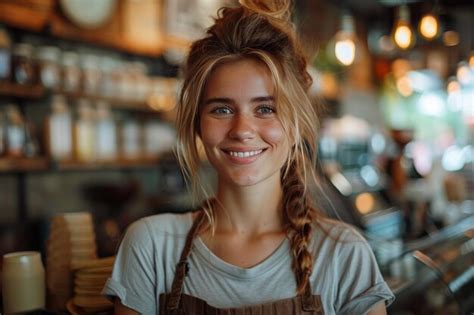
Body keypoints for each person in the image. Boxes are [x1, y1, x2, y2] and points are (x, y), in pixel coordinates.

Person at [103, 0, 395, 314]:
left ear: (295, 126)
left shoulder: (344, 254)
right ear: (198, 125)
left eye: (265, 109)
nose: (242, 130)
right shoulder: (151, 246)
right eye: (222, 109)